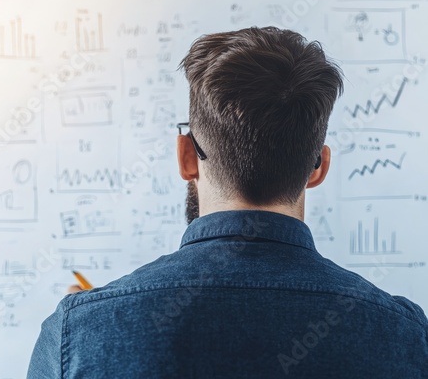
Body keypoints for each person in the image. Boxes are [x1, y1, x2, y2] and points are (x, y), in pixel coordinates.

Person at [27, 27, 428, 378]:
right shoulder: (405, 334)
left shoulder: (80, 331)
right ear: (318, 167)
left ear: (186, 156)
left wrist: (106, 326)